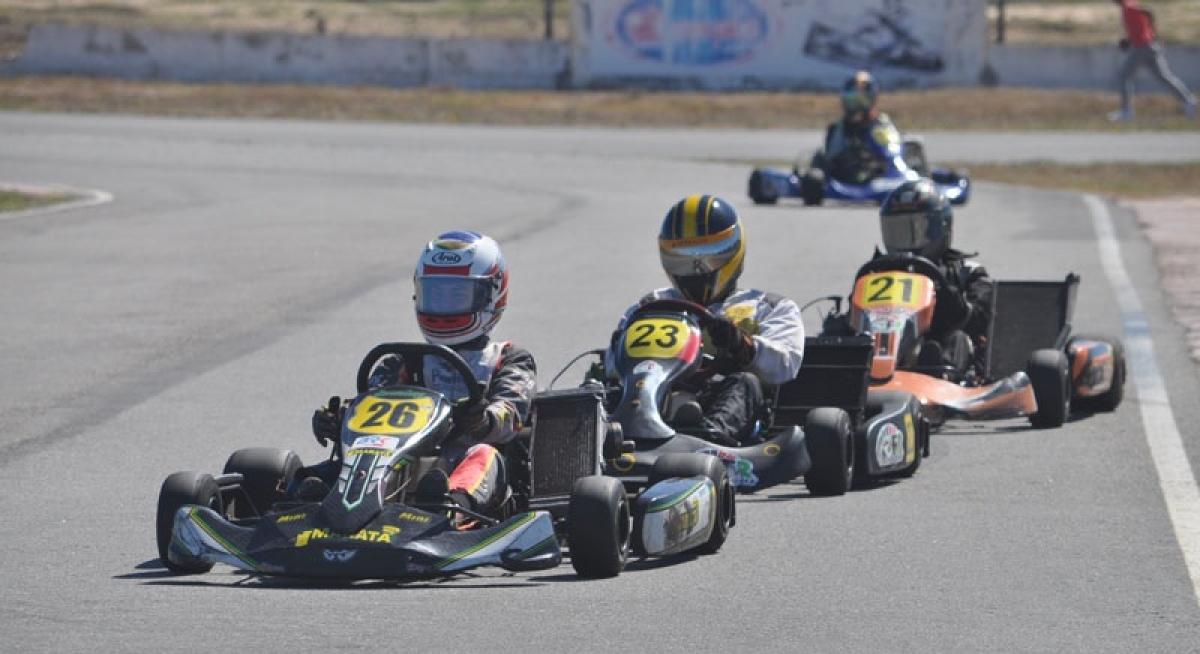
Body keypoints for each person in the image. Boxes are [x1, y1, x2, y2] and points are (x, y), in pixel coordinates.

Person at [309, 230, 537, 527]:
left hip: (472, 467)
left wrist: (483, 420)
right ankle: (315, 502)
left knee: (483, 455)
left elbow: (511, 414)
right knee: (361, 456)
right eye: (435, 294)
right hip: (403, 462)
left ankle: (449, 512)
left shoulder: (508, 359)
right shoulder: (402, 361)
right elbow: (374, 405)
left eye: (456, 295)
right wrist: (341, 419)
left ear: (491, 296)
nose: (444, 307)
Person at [604, 194, 805, 447]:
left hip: (719, 395)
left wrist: (741, 345)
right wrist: (619, 346)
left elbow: (785, 365)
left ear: (734, 250)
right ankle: (605, 432)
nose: (695, 267)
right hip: (652, 390)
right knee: (603, 389)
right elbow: (612, 367)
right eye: (682, 256)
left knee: (746, 382)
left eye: (709, 254)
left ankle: (705, 439)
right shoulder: (648, 305)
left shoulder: (769, 307)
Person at [875, 178, 994, 377]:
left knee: (957, 339)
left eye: (917, 231)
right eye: (898, 231)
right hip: (885, 350)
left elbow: (980, 322)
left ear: (941, 228)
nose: (906, 242)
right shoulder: (878, 274)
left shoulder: (967, 272)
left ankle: (938, 373)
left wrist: (946, 293)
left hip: (945, 364)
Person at [1108, 0, 1196, 121]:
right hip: (1148, 46)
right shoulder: (1128, 7)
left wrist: (1153, 33)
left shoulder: (1129, 6)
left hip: (1141, 47)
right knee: (1164, 77)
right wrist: (1130, 40)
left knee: (1123, 77)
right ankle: (1188, 100)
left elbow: (1149, 12)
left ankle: (1126, 111)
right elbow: (1139, 26)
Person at [818, 70, 903, 184]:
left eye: (862, 100)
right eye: (852, 100)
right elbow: (831, 158)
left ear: (872, 99)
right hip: (849, 176)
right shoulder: (838, 128)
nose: (857, 105)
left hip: (883, 169)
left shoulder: (882, 122)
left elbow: (892, 147)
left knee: (913, 145)